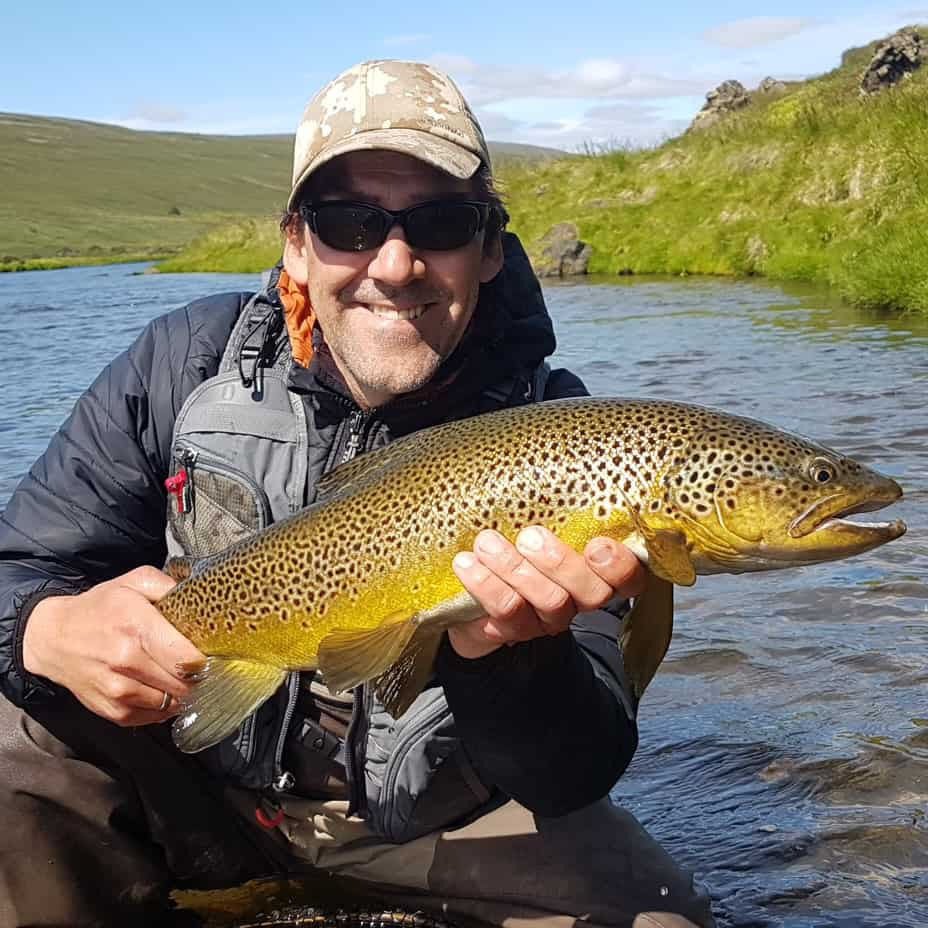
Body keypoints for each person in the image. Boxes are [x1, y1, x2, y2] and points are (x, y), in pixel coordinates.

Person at [0, 60, 714, 928]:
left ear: (491, 248)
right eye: (350, 222)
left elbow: (573, 771)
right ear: (296, 243)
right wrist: (44, 626)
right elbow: (23, 562)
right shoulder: (180, 364)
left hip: (435, 825)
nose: (397, 262)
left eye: (441, 222)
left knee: (658, 917)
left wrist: (512, 658)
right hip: (196, 789)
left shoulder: (576, 445)